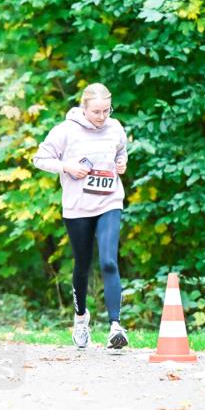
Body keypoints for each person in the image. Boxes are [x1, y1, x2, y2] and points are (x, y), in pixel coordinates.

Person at [33, 83, 129, 350]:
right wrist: (67, 167)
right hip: (77, 207)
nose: (101, 117)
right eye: (96, 112)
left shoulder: (115, 127)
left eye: (106, 111)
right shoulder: (66, 131)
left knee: (109, 261)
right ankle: (81, 319)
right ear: (84, 108)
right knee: (83, 264)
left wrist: (122, 163)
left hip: (110, 201)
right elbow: (39, 158)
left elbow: (121, 152)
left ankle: (115, 326)